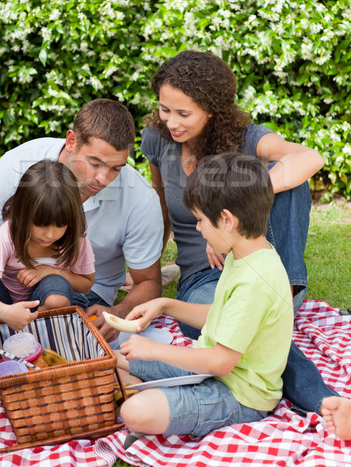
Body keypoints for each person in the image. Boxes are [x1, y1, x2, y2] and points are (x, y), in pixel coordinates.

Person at [140, 49, 338, 417]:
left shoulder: (246, 139)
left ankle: (325, 401)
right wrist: (152, 270)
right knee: (221, 320)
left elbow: (310, 157)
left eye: (184, 113)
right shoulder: (157, 140)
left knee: (290, 178)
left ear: (212, 110)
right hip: (203, 274)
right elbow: (160, 204)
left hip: (257, 263)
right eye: (165, 109)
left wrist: (228, 214)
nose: (171, 122)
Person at [0, 99, 163, 346]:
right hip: (2, 287)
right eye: (95, 163)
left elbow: (149, 282)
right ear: (71, 141)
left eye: (116, 168)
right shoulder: (17, 165)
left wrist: (118, 312)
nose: (103, 179)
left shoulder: (140, 199)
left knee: (56, 301)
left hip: (84, 296)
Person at [116, 153, 294, 442]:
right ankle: (142, 387)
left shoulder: (255, 281)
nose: (197, 228)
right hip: (207, 368)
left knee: (135, 411)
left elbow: (220, 362)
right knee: (112, 359)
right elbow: (218, 315)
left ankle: (140, 392)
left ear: (226, 220)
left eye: (199, 220)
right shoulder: (244, 255)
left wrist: (153, 350)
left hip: (239, 395)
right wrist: (165, 304)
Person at [0, 160, 95, 331]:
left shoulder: (75, 239)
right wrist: (5, 312)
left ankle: (34, 337)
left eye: (60, 225)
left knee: (57, 296)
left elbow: (86, 284)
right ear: (23, 213)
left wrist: (50, 271)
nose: (50, 234)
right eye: (41, 224)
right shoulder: (6, 237)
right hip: (1, 305)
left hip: (42, 306)